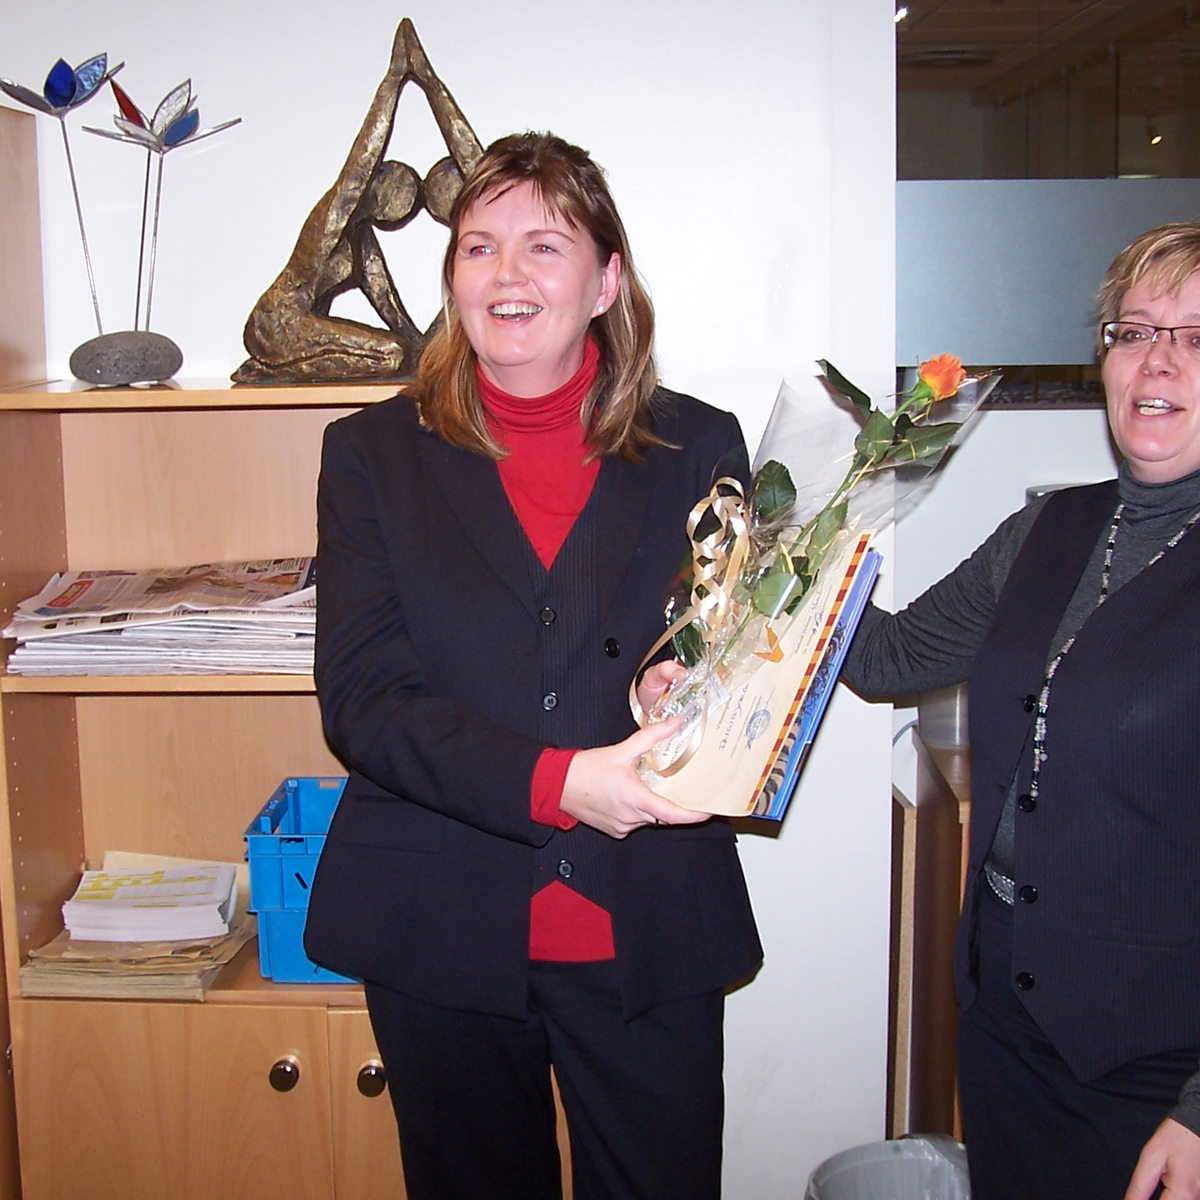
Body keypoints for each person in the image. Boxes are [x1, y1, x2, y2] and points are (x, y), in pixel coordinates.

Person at [304, 130, 762, 1200]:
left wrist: (681, 683)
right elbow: (364, 699)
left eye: (544, 246)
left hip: (645, 920)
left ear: (606, 282)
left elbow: (725, 649)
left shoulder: (699, 445)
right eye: (479, 247)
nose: (505, 273)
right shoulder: (369, 456)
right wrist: (557, 783)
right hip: (441, 927)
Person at [841, 220, 1200, 1200]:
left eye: (1195, 336)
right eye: (1134, 331)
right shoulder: (1048, 527)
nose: (1157, 359)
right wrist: (787, 555)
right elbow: (888, 657)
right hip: (1005, 1017)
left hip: (1157, 1066)